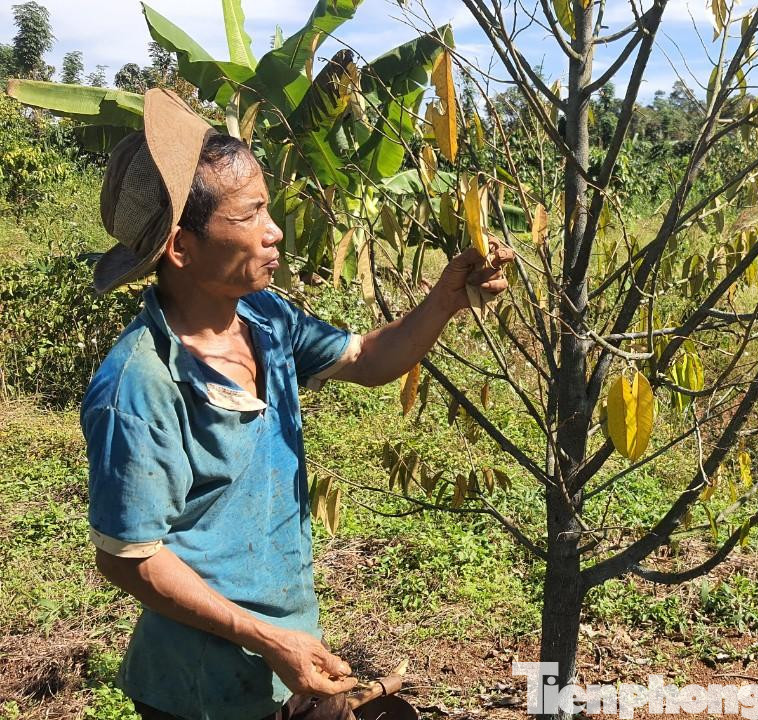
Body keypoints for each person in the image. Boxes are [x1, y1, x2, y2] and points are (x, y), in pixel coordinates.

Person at [82, 88, 513, 720]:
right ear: (181, 248)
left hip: (284, 661)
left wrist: (447, 298)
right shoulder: (141, 384)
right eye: (250, 215)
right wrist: (267, 638)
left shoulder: (264, 317)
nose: (274, 231)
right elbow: (129, 558)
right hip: (202, 690)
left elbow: (366, 359)